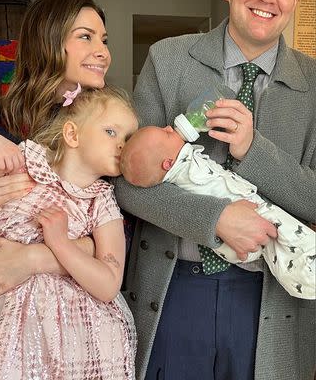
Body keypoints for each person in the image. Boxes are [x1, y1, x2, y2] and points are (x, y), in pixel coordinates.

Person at [114, 0, 316, 380]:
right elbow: (126, 181)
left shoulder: (315, 86)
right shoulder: (169, 60)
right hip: (174, 291)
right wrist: (216, 217)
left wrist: (254, 150)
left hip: (273, 304)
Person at [0, 86, 139, 380]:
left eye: (129, 138)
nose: (123, 145)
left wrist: (60, 244)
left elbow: (108, 283)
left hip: (70, 345)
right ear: (72, 135)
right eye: (111, 132)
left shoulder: (101, 203)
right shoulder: (28, 164)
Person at [0, 0, 112, 302]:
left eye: (104, 40)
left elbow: (118, 242)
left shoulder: (106, 130)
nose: (103, 51)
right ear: (47, 42)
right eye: (86, 37)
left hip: (70, 312)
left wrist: (32, 259)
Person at [120, 124, 315, 299]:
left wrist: (251, 150)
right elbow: (122, 188)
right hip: (190, 269)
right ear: (168, 164)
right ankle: (307, 265)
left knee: (276, 248)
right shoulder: (188, 168)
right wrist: (215, 217)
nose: (169, 128)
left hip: (252, 272)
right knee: (280, 227)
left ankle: (299, 276)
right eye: (165, 134)